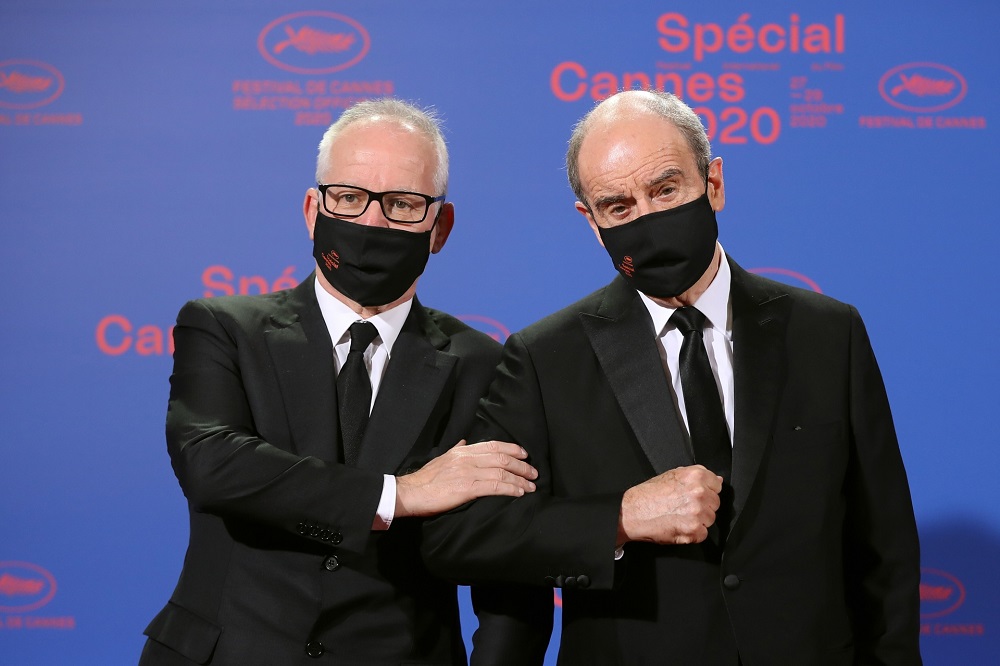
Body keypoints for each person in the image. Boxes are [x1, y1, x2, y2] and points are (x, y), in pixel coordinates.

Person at [422, 89, 921, 665]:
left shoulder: (828, 334)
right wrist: (619, 518)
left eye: (665, 189)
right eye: (619, 207)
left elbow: (883, 550)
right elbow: (464, 535)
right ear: (590, 220)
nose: (648, 219)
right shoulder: (545, 358)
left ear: (713, 184)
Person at [139, 98, 540, 665]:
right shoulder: (223, 328)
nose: (371, 222)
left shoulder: (486, 367)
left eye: (402, 204)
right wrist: (400, 495)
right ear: (312, 209)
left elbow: (511, 572)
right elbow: (213, 466)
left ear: (440, 227)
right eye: (349, 198)